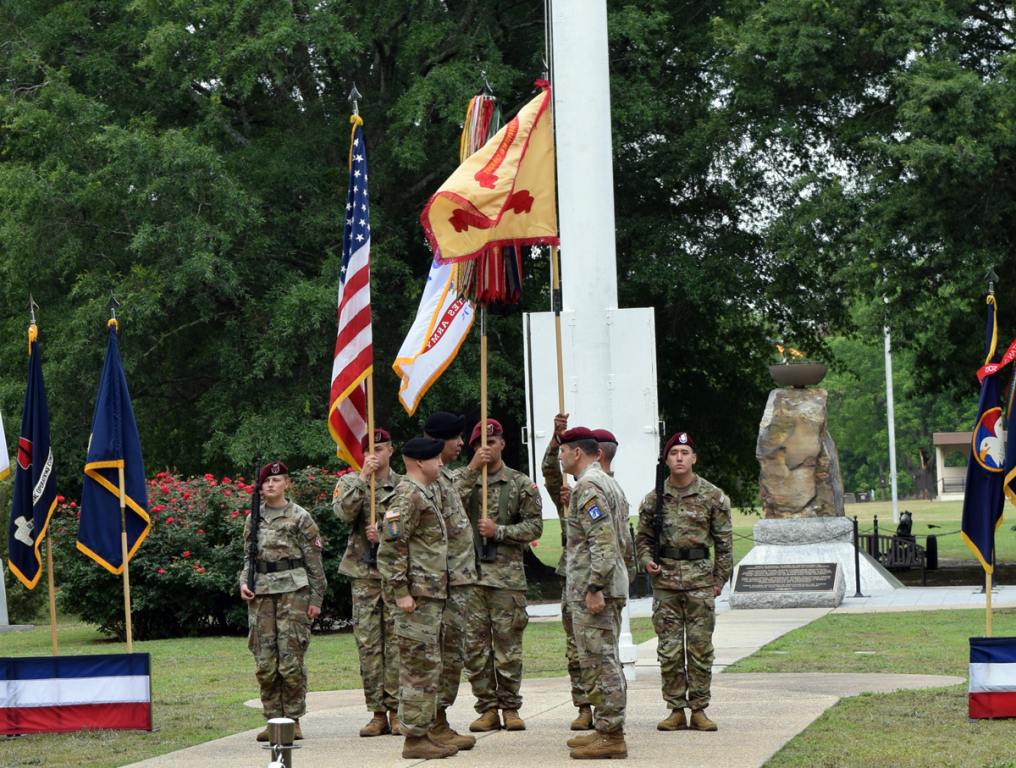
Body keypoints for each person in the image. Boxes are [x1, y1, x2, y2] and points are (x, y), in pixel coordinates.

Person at [636, 431, 732, 732]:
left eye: (684, 452)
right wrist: (646, 560)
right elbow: (643, 539)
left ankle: (700, 708)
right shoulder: (654, 498)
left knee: (700, 649)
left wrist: (718, 580)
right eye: (674, 453)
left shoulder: (713, 496)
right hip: (665, 584)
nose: (679, 457)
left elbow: (724, 544)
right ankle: (676, 708)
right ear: (666, 460)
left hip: (700, 583)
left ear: (694, 458)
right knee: (669, 650)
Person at [376, 436, 458, 760]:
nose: (441, 463)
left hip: (429, 594)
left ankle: (423, 732)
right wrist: (401, 593)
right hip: (416, 599)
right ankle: (414, 738)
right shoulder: (408, 496)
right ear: (421, 462)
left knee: (428, 665)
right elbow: (390, 548)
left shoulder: (422, 493)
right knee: (416, 667)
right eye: (436, 459)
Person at [461, 418, 543, 732]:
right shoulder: (466, 480)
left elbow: (535, 526)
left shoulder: (521, 483)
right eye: (479, 444)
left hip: (506, 579)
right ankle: (486, 708)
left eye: (491, 442)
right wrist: (471, 469)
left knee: (508, 648)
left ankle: (510, 707)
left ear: (502, 444)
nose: (486, 449)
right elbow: (445, 501)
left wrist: (500, 531)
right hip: (470, 578)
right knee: (475, 650)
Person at [239, 461, 327, 742]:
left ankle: (292, 718)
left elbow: (315, 563)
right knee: (264, 661)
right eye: (266, 482)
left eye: (276, 481)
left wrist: (316, 599)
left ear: (287, 484)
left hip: (293, 592)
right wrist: (244, 582)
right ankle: (273, 719)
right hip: (262, 593)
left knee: (290, 661)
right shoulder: (254, 518)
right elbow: (247, 558)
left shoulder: (301, 517)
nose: (270, 485)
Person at [558, 427, 630, 759]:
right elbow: (622, 539)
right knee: (603, 659)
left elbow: (602, 540)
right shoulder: (605, 482)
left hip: (596, 589)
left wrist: (596, 586)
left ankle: (611, 734)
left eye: (563, 451)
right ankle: (605, 728)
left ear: (577, 453)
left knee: (602, 663)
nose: (560, 457)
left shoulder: (588, 487)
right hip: (604, 583)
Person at [333, 428, 402, 737]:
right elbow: (344, 513)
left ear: (391, 450)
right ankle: (377, 712)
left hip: (395, 573)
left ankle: (398, 710)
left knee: (397, 643)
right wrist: (363, 477)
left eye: (381, 447)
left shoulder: (404, 485)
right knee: (369, 645)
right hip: (364, 575)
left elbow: (413, 527)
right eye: (369, 450)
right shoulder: (351, 483)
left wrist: (385, 534)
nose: (375, 454)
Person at [422, 410, 479, 749]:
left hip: (457, 584)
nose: (461, 443)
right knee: (436, 655)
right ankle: (430, 724)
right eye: (456, 438)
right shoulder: (425, 484)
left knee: (452, 655)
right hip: (440, 588)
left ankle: (440, 720)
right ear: (440, 441)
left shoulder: (443, 480)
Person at [542, 413, 591, 730]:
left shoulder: (597, 489)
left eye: (565, 449)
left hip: (594, 576)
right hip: (570, 575)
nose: (561, 458)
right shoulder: (565, 491)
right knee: (574, 648)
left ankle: (605, 707)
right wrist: (555, 438)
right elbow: (549, 471)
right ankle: (584, 706)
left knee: (597, 647)